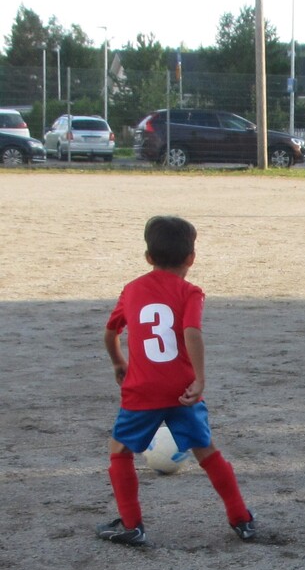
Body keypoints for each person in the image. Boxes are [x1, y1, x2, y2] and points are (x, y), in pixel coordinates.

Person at [98, 216, 255, 546]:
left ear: (148, 257)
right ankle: (241, 518)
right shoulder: (191, 292)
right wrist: (200, 379)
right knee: (206, 449)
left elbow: (111, 332)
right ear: (191, 258)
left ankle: (132, 524)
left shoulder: (132, 289)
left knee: (120, 448)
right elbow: (192, 331)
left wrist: (118, 362)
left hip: (142, 389)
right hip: (182, 389)